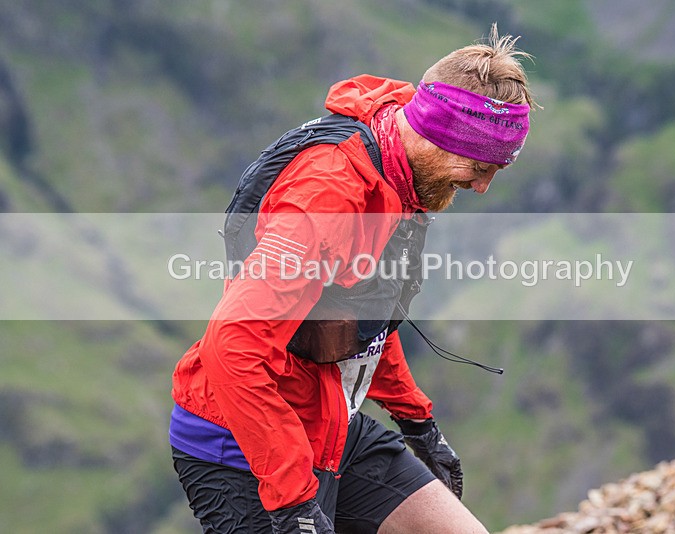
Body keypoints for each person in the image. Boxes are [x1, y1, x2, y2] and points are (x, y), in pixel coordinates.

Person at [170, 24, 536, 534]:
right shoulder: (329, 194)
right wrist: (295, 505)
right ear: (438, 133)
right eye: (478, 166)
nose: (481, 187)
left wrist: (417, 421)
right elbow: (232, 346)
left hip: (330, 423)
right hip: (242, 447)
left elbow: (362, 318)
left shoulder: (397, 175)